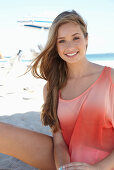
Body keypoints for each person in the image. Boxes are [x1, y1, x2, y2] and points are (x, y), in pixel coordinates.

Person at [0, 10, 114, 170]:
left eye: (76, 38)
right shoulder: (51, 88)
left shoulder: (111, 78)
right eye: (62, 41)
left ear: (86, 39)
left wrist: (98, 168)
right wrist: (63, 168)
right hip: (63, 159)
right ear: (55, 45)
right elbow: (59, 141)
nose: (70, 46)